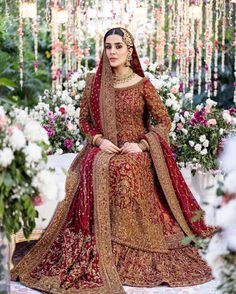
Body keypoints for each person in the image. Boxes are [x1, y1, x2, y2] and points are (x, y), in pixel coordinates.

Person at [12, 27, 215, 294]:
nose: (113, 52)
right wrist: (98, 140)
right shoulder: (93, 83)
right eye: (108, 46)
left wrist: (142, 145)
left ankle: (124, 245)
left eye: (119, 46)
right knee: (95, 165)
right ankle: (97, 243)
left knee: (126, 166)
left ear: (130, 51)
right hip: (102, 147)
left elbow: (163, 121)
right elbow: (84, 121)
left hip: (135, 150)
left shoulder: (143, 85)